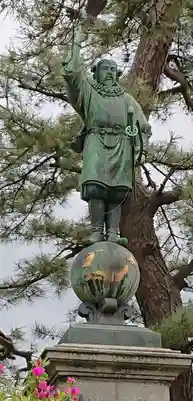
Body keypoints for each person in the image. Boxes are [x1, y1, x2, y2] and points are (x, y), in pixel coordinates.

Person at [62, 23, 152, 245]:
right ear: (96, 73)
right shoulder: (89, 93)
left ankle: (112, 232)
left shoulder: (127, 99)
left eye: (113, 69)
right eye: (105, 69)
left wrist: (140, 144)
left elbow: (143, 128)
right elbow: (72, 75)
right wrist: (76, 43)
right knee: (96, 187)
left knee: (116, 191)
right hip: (96, 140)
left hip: (122, 144)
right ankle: (96, 231)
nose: (110, 73)